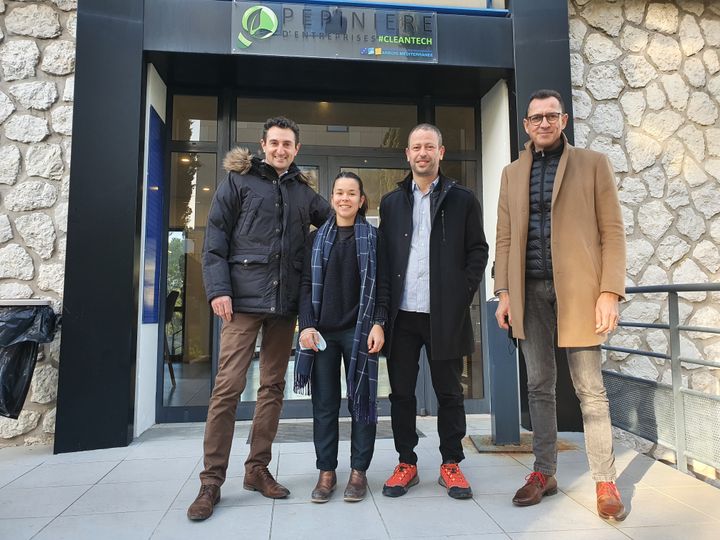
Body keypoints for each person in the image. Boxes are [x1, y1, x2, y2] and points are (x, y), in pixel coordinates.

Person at [188, 117, 330, 521]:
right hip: (241, 304)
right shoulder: (238, 181)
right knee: (228, 389)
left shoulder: (304, 192)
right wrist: (218, 290)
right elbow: (214, 237)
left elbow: (336, 218)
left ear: (297, 149)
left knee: (272, 387)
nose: (281, 150)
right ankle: (211, 481)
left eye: (288, 144)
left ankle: (256, 469)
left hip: (284, 307)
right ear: (263, 145)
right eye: (274, 143)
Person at [494, 89, 626, 521]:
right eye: (536, 118)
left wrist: (610, 292)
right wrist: (504, 292)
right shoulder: (512, 173)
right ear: (526, 125)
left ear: (564, 120)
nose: (544, 123)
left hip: (580, 293)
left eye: (552, 116)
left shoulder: (593, 164)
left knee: (591, 390)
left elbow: (612, 232)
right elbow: (506, 236)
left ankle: (605, 480)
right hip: (529, 292)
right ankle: (544, 473)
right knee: (539, 387)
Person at [378, 124, 488, 500]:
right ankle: (406, 462)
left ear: (441, 152)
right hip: (402, 316)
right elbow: (384, 260)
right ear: (407, 155)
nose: (422, 153)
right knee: (402, 395)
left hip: (445, 314)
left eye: (429, 146)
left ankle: (451, 463)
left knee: (450, 394)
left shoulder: (462, 199)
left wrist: (461, 292)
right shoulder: (391, 203)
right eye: (416, 147)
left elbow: (478, 251)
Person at [294, 172, 387, 503]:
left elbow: (384, 287)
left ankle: (359, 472)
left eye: (351, 193)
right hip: (322, 334)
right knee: (324, 404)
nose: (344, 198)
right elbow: (305, 285)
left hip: (359, 331)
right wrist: (306, 325)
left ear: (361, 200)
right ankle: (327, 472)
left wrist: (379, 322)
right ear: (331, 198)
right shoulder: (314, 239)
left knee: (362, 404)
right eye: (339, 192)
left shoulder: (375, 238)